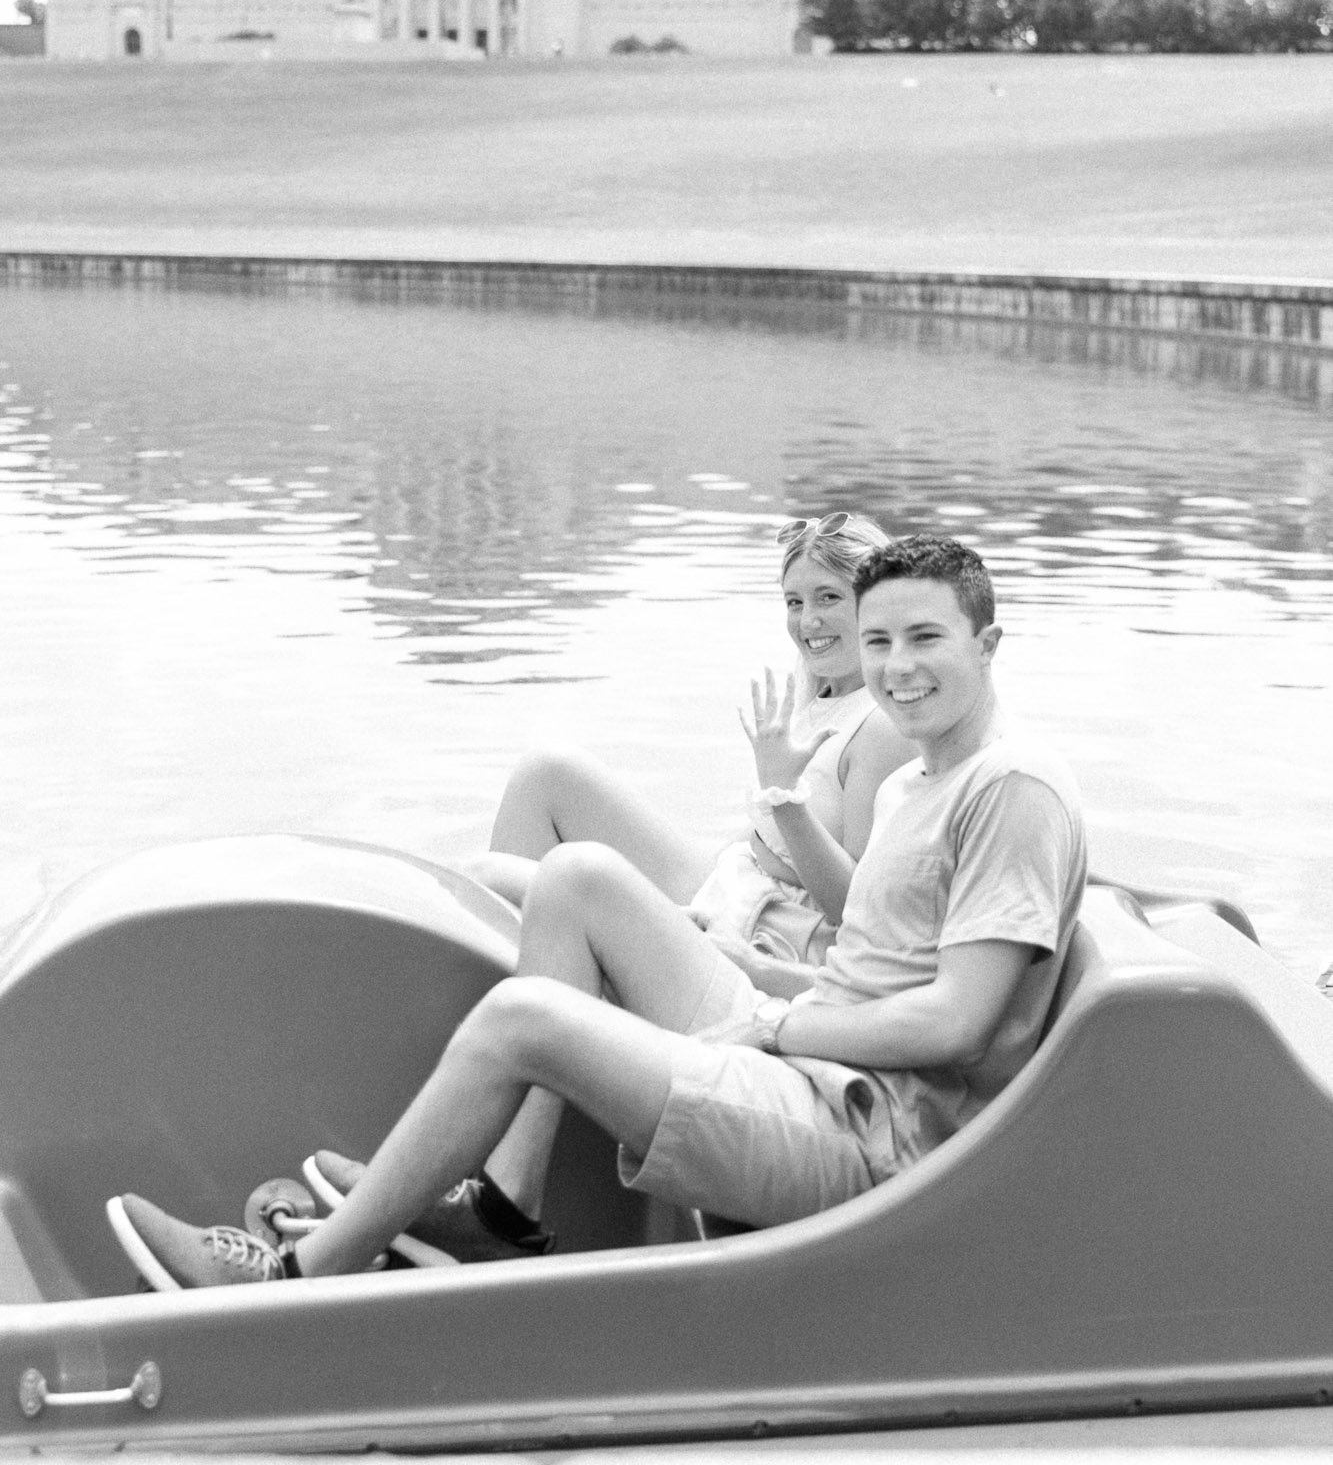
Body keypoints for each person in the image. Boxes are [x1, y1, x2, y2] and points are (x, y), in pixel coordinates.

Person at [107, 535, 1087, 1290]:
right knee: (579, 876)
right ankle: (501, 1206)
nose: (895, 666)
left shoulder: (1012, 791)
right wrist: (753, 969)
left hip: (867, 1136)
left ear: (986, 643)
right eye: (879, 640)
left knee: (520, 1020)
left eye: (925, 638)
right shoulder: (925, 777)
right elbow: (882, 971)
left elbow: (955, 1022)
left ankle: (295, 1277)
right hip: (821, 1063)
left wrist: (778, 1019)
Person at [470, 510, 916, 1000]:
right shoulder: (821, 693)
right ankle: (536, 979)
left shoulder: (881, 727)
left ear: (874, 604)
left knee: (488, 877)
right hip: (735, 884)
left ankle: (532, 1000)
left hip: (775, 933)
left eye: (828, 597)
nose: (808, 621)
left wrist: (784, 795)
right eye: (794, 601)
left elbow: (854, 912)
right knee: (547, 773)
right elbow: (762, 840)